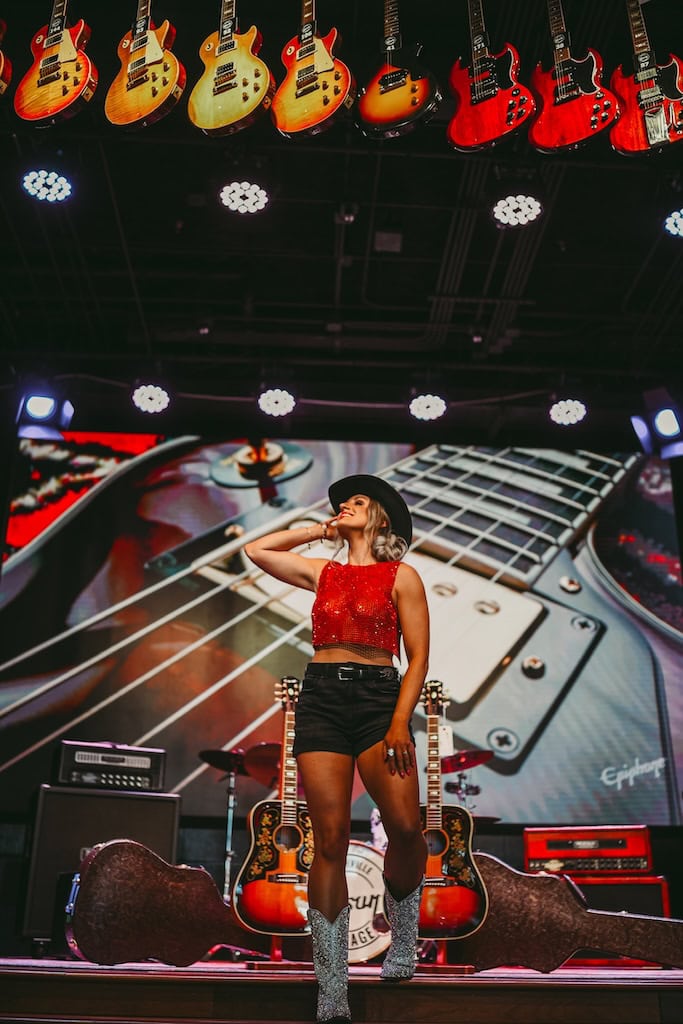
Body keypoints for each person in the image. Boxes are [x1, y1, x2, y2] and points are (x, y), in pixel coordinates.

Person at [245, 474, 429, 1024]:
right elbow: (258, 549)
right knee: (327, 839)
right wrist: (322, 528)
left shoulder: (404, 576)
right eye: (341, 502)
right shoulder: (322, 572)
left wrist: (400, 722)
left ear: (381, 518)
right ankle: (332, 986)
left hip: (379, 700)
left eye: (357, 501)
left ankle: (404, 934)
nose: (345, 504)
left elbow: (417, 657)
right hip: (321, 696)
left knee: (403, 827)